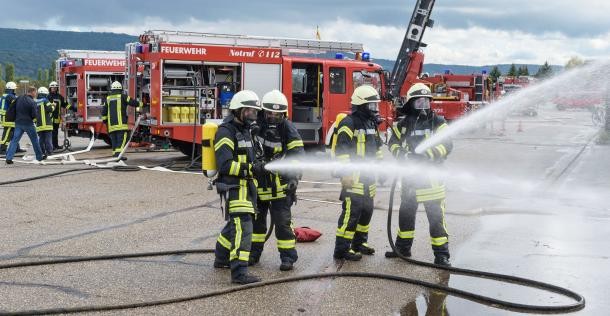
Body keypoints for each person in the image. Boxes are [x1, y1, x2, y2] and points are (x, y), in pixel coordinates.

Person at [386, 83, 453, 266]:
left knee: (436, 220)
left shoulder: (438, 122)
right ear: (411, 103)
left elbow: (447, 144)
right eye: (419, 102)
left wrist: (427, 155)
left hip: (432, 181)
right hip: (410, 181)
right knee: (406, 216)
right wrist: (403, 155)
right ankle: (402, 248)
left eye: (426, 101)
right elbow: (392, 142)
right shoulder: (404, 124)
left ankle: (442, 255)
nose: (423, 105)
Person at [249, 90, 304, 271]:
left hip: (280, 188)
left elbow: (297, 156)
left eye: (277, 114)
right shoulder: (254, 127)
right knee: (256, 225)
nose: (273, 117)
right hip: (257, 187)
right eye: (269, 113)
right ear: (263, 112)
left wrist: (294, 178)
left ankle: (288, 258)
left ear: (284, 114)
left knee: (282, 224)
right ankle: (253, 254)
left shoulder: (289, 129)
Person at [213, 90, 263, 284]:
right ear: (238, 110)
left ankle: (221, 257)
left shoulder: (246, 131)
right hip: (235, 187)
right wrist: (251, 169)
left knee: (235, 225)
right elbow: (224, 165)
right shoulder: (226, 132)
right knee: (243, 228)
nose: (253, 115)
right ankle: (239, 272)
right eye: (249, 111)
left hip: (246, 187)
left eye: (254, 111)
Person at [333, 85, 384, 261]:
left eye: (375, 105)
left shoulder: (371, 123)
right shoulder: (348, 123)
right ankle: (342, 249)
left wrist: (381, 169)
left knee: (366, 210)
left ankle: (359, 243)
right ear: (362, 105)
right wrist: (345, 174)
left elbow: (376, 148)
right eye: (371, 105)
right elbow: (341, 151)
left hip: (369, 178)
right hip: (353, 178)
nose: (375, 109)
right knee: (351, 213)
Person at [100, 81, 140, 160]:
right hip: (121, 126)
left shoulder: (108, 98)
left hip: (111, 127)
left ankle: (115, 156)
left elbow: (104, 113)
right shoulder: (123, 96)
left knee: (114, 142)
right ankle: (118, 156)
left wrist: (105, 122)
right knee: (122, 141)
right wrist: (142, 104)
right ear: (120, 89)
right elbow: (133, 102)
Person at [5, 87, 44, 164]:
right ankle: (39, 157)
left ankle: (9, 158)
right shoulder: (32, 102)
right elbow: (34, 115)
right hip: (28, 123)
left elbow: (12, 108)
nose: (36, 94)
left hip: (18, 122)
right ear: (32, 92)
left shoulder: (19, 98)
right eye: (35, 92)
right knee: (35, 140)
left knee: (14, 141)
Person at [0, 81, 25, 154]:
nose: (15, 91)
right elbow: (17, 103)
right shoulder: (10, 96)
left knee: (14, 134)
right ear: (12, 89)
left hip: (5, 117)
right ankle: (2, 149)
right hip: (8, 118)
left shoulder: (4, 96)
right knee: (7, 134)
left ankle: (16, 148)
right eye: (14, 89)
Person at [35, 87, 55, 156]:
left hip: (39, 125)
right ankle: (49, 152)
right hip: (47, 124)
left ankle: (42, 152)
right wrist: (53, 106)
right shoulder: (45, 100)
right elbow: (50, 109)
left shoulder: (35, 101)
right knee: (48, 140)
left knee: (41, 139)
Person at [47, 81, 67, 150]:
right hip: (50, 118)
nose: (54, 89)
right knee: (52, 133)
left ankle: (56, 145)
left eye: (55, 88)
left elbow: (65, 104)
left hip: (57, 118)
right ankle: (52, 146)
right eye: (53, 88)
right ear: (50, 88)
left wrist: (73, 108)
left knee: (55, 132)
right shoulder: (48, 97)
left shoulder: (60, 96)